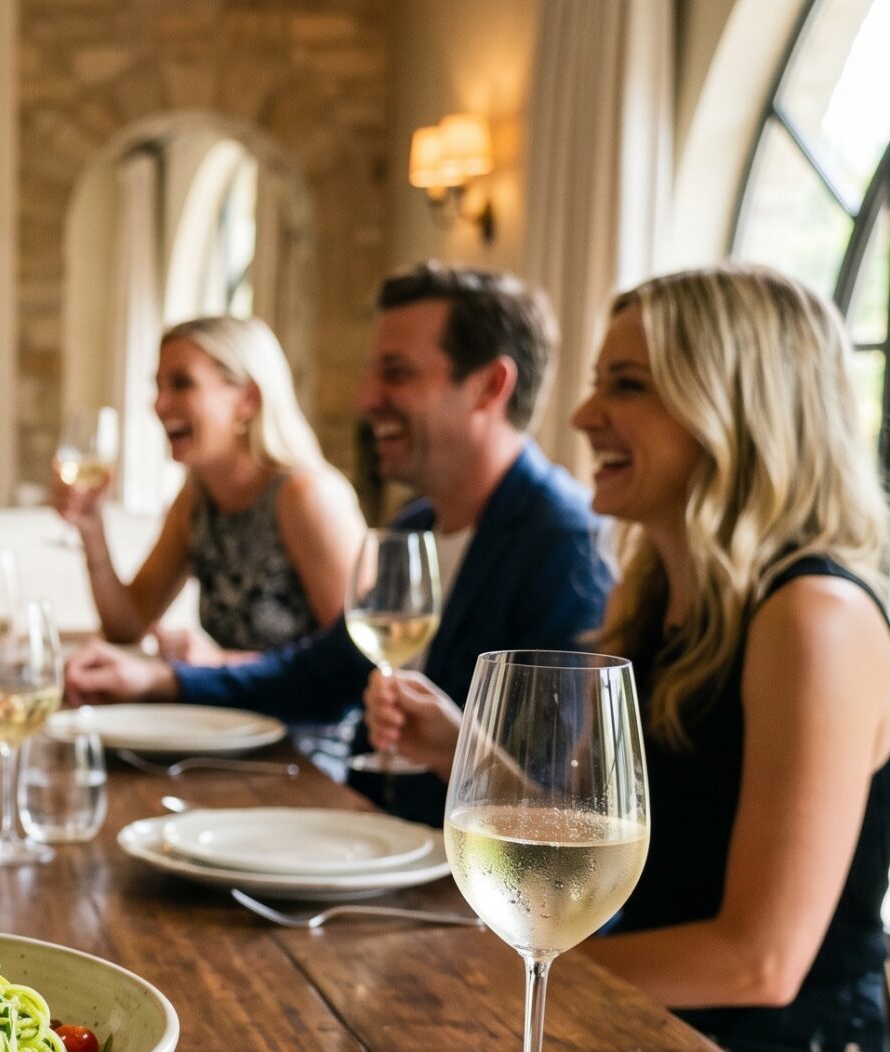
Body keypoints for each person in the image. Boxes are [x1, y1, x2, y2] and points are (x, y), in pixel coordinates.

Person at [365, 266, 890, 1052]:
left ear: (736, 408)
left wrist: (505, 972)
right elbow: (614, 837)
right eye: (595, 384)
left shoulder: (814, 618)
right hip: (637, 1035)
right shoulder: (657, 606)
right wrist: (466, 754)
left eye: (629, 387)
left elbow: (759, 961)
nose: (581, 417)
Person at [65, 263, 613, 824]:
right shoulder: (413, 528)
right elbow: (320, 677)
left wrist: (456, 752)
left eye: (395, 374)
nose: (366, 399)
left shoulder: (564, 546)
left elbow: (567, 810)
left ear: (489, 387)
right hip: (365, 829)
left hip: (458, 885)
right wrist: (163, 679)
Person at [49, 316, 365, 660]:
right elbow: (128, 625)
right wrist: (92, 528)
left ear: (248, 399)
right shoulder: (197, 500)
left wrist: (218, 662)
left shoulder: (307, 497)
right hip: (229, 712)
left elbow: (353, 660)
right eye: (158, 386)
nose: (158, 404)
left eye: (182, 384)